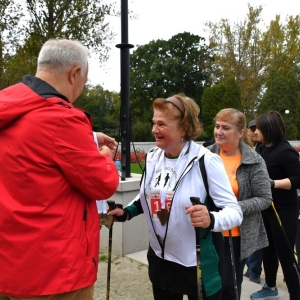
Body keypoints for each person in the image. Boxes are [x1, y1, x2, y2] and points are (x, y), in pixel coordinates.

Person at [0, 39, 119, 300]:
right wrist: (105, 156)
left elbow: (39, 149)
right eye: (84, 81)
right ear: (74, 73)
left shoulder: (9, 106)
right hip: (54, 274)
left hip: (9, 264)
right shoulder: (62, 118)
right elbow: (103, 183)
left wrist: (87, 137)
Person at [109, 94, 243, 300]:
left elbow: (235, 212)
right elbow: (149, 195)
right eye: (154, 123)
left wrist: (211, 219)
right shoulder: (154, 157)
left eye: (161, 124)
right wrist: (127, 212)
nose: (154, 129)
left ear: (183, 128)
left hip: (196, 263)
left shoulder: (206, 161)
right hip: (160, 260)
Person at [206, 109, 272, 300]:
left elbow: (265, 198)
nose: (219, 131)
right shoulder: (205, 155)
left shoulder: (254, 160)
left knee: (230, 286)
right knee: (207, 285)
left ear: (241, 132)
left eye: (226, 128)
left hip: (235, 235)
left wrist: (233, 208)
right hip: (208, 231)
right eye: (217, 126)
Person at [250, 110, 300, 300]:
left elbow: (297, 179)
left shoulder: (285, 151)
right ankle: (270, 288)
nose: (255, 132)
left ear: (268, 129)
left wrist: (273, 183)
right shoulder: (261, 148)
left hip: (284, 210)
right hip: (266, 209)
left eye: (259, 128)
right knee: (268, 252)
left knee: (286, 256)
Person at [243, 119, 263, 284]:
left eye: (258, 129)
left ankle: (254, 271)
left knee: (255, 238)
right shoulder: (245, 149)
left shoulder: (263, 150)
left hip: (258, 203)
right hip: (245, 203)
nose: (255, 132)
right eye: (252, 129)